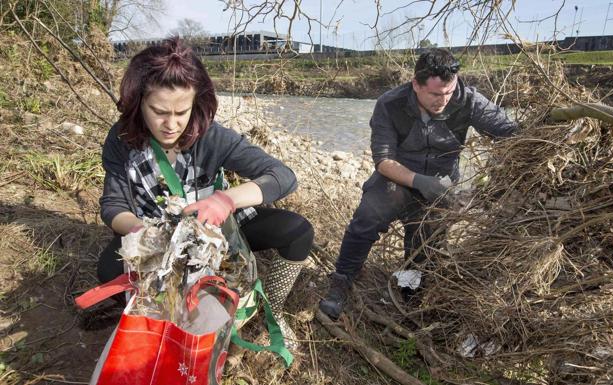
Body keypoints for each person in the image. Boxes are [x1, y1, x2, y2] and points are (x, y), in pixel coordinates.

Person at [97, 37, 313, 349]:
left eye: (181, 112)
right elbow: (112, 205)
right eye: (159, 112)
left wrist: (225, 200)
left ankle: (274, 310)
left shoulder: (211, 136)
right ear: (138, 102)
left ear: (196, 104)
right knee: (108, 269)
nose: (171, 125)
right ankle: (160, 313)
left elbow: (283, 177)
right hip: (158, 233)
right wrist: (139, 230)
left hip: (215, 230)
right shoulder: (121, 140)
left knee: (298, 232)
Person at [319, 48, 517, 320]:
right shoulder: (390, 104)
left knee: (426, 241)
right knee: (369, 215)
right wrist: (419, 181)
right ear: (416, 84)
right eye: (435, 94)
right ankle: (341, 281)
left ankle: (410, 293)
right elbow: (383, 161)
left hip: (442, 183)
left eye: (449, 92)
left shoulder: (468, 100)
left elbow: (510, 133)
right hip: (396, 179)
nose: (443, 100)